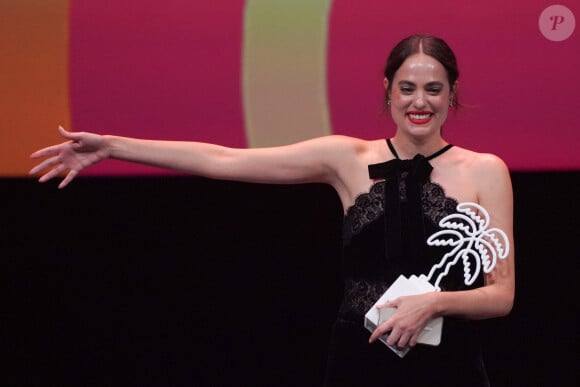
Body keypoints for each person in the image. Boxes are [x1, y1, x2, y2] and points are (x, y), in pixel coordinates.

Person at [30, 34, 514, 386]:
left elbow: (502, 295)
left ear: (453, 92)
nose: (419, 101)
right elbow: (221, 160)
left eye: (434, 89)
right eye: (407, 88)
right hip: (361, 362)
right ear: (388, 89)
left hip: (447, 366)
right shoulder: (347, 158)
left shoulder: (485, 170)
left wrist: (433, 302)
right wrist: (114, 146)